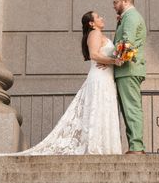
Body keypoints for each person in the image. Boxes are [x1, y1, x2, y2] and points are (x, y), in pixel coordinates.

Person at [12, 11, 123, 155]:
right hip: (99, 78)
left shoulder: (99, 34)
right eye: (98, 17)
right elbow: (94, 55)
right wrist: (114, 61)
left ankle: (105, 146)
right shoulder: (94, 33)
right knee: (99, 107)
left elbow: (104, 54)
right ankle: (97, 147)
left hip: (106, 77)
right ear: (91, 23)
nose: (102, 18)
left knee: (103, 108)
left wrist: (111, 60)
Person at [113, 0, 147, 154]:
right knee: (128, 110)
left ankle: (137, 147)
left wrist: (118, 60)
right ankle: (134, 146)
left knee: (131, 108)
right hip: (128, 70)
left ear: (125, 1)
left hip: (128, 69)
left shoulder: (131, 17)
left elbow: (127, 42)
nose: (114, 6)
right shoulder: (127, 18)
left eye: (115, 2)